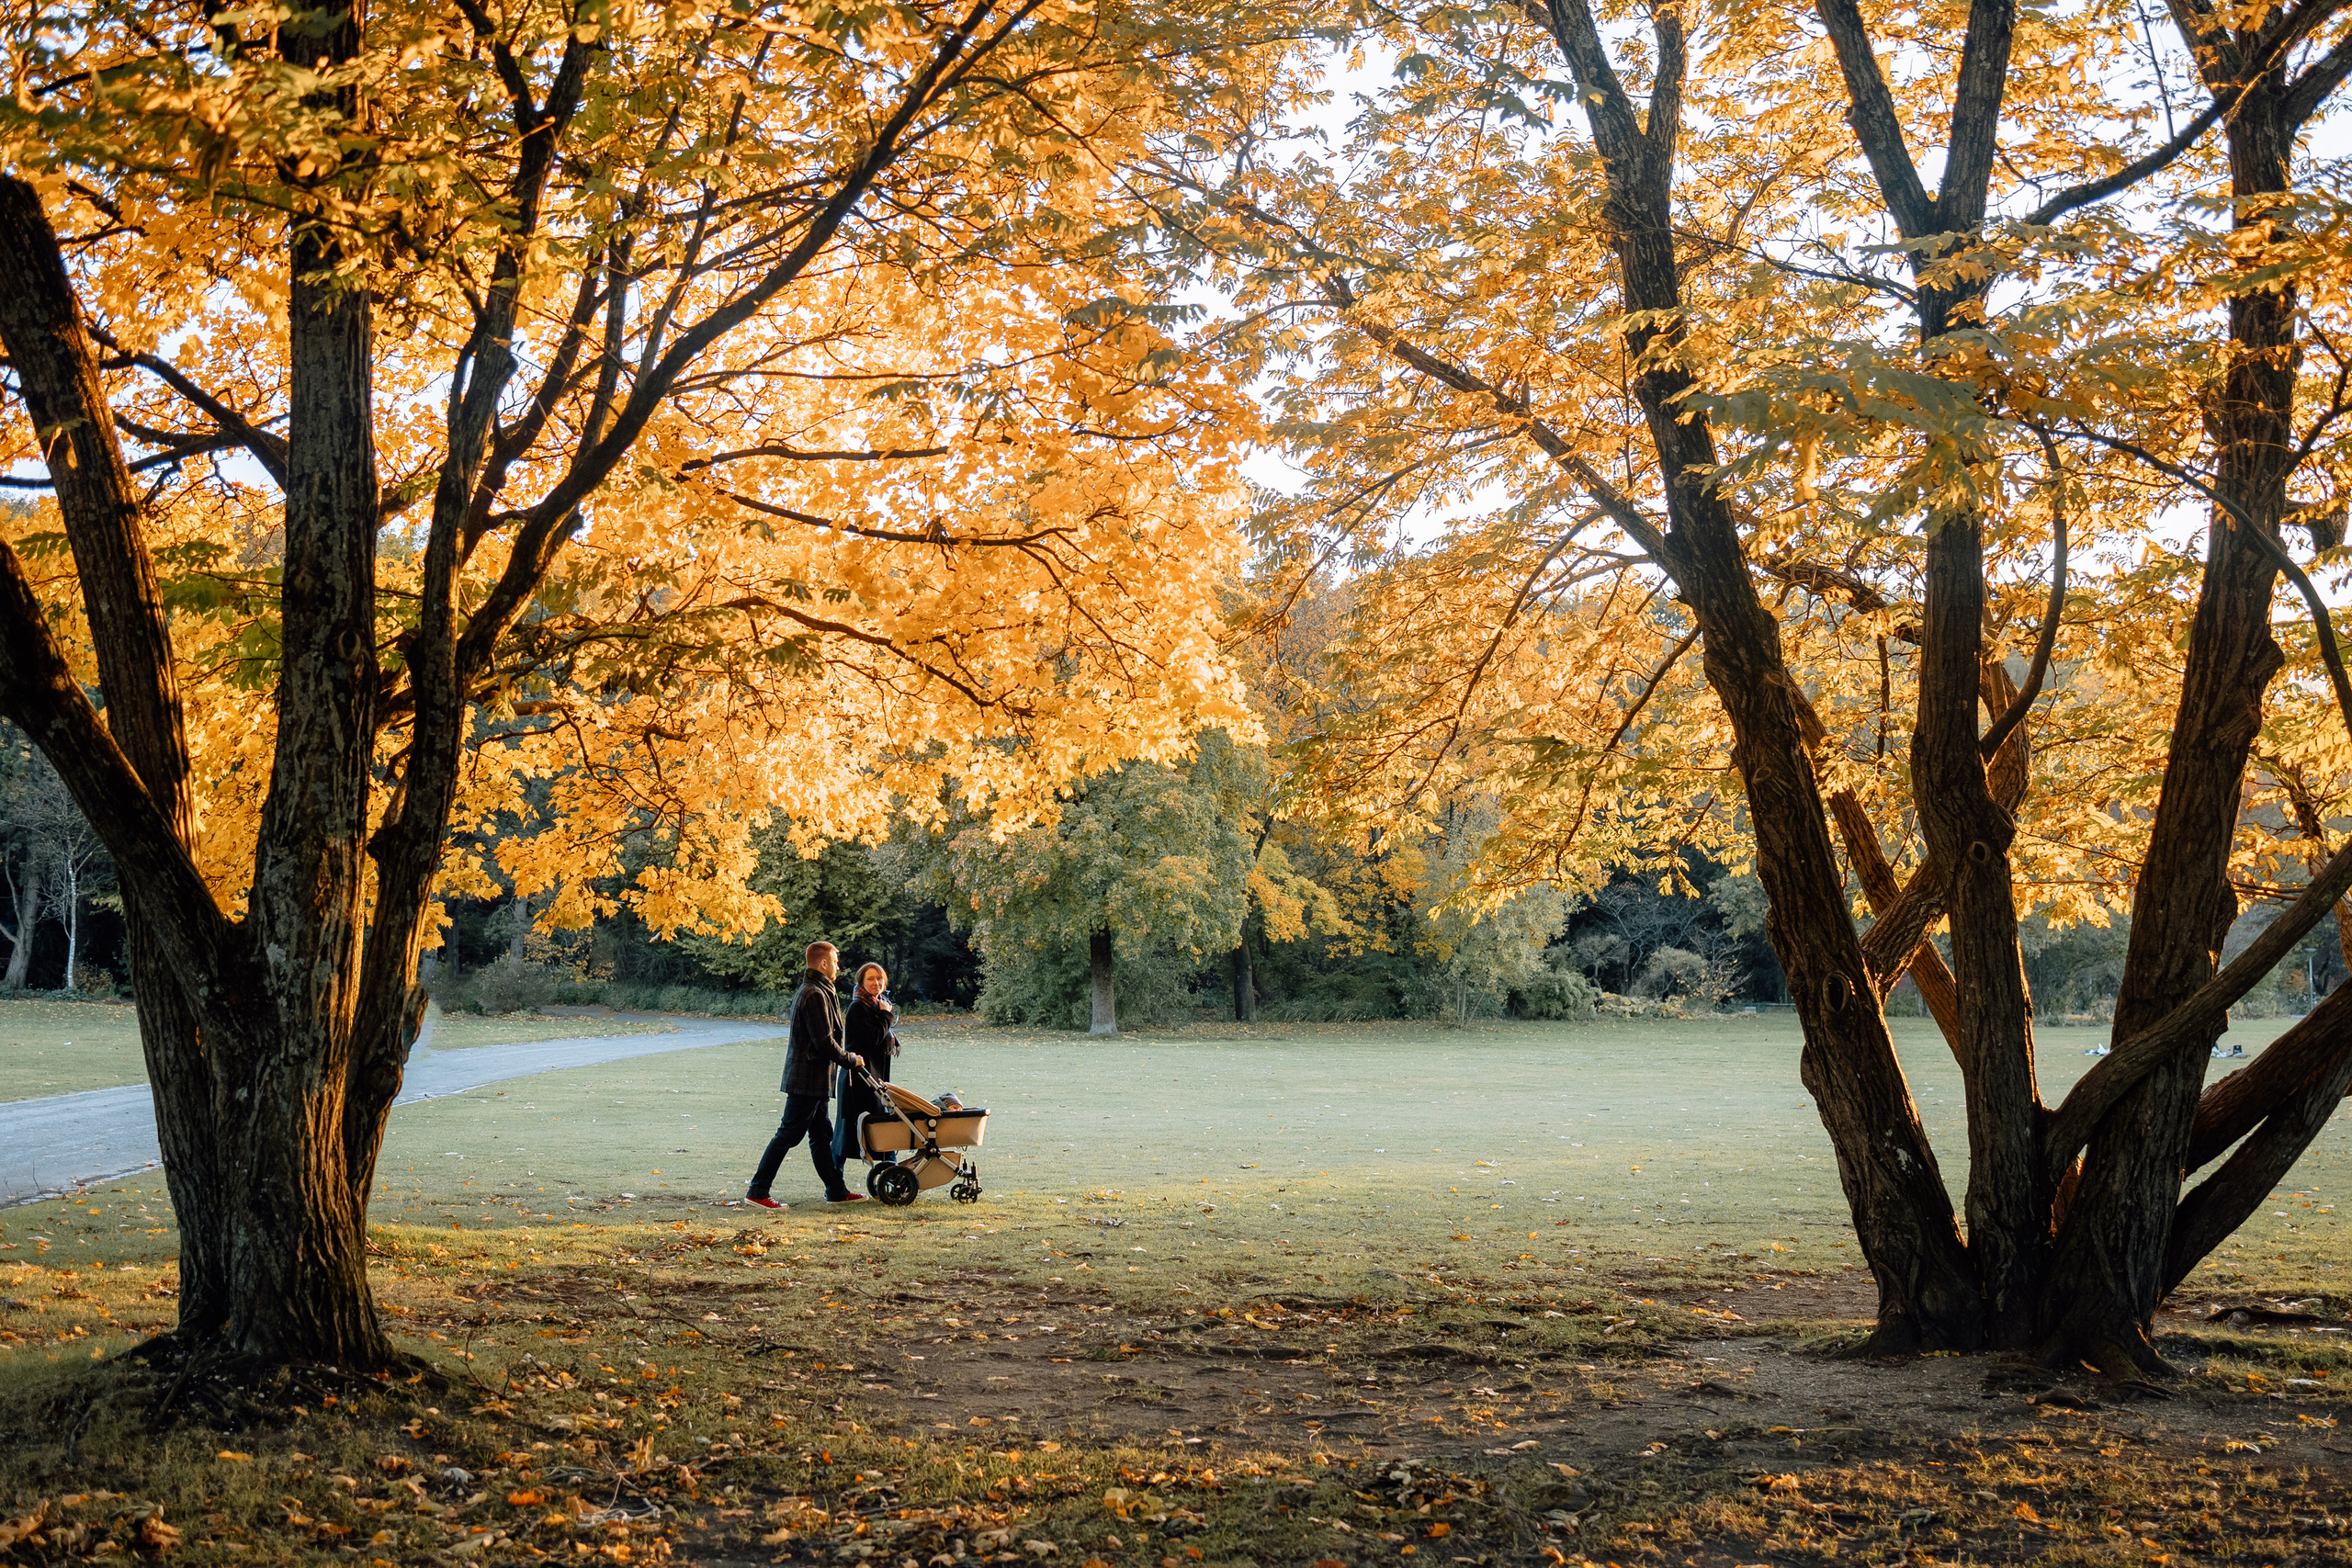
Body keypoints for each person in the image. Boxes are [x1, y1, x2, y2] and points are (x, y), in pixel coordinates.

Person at [745, 942, 866, 1207]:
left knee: (821, 1136)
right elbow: (824, 1042)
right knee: (788, 1134)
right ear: (823, 963)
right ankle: (757, 1191)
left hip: (815, 1079)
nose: (838, 966)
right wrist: (850, 1060)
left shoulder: (819, 990)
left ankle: (836, 1190)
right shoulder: (814, 994)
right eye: (835, 961)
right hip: (807, 1079)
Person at [834, 963, 902, 1170]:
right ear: (861, 982)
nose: (876, 983)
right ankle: (834, 1182)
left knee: (878, 1128)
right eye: (871, 979)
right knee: (850, 1133)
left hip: (872, 1078)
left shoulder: (876, 1005)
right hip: (859, 1080)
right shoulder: (859, 1007)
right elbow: (873, 1039)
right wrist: (886, 1017)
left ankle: (892, 1173)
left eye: (879, 978)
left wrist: (884, 1015)